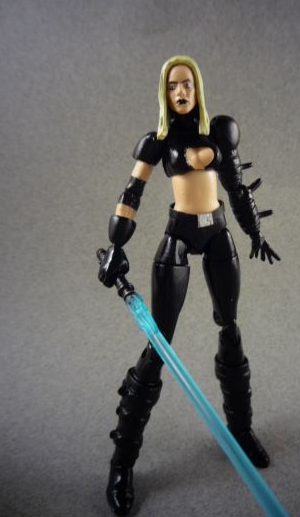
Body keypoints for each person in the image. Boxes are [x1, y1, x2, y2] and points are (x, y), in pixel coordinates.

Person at [98, 55, 280, 515]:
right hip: (178, 234)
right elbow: (131, 193)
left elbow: (235, 186)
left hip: (217, 232)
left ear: (197, 88)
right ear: (164, 93)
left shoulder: (219, 130)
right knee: (158, 344)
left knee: (230, 328)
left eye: (187, 84)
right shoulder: (157, 142)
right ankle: (122, 463)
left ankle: (240, 431)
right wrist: (116, 245)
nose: (181, 92)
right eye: (173, 85)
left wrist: (254, 232)